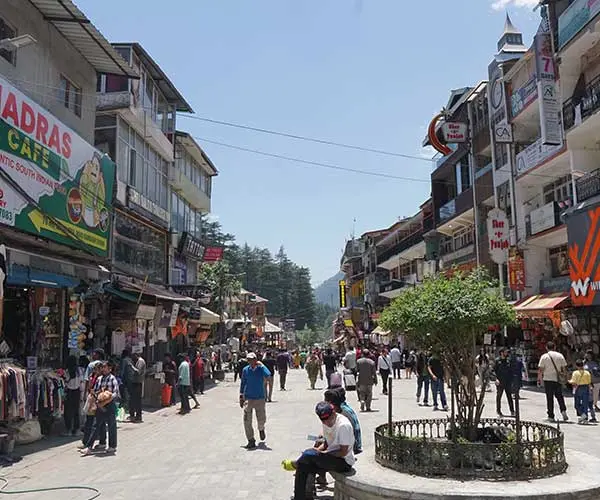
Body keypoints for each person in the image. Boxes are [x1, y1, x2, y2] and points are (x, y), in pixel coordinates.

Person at [281, 402, 354, 500]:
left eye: (327, 419)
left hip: (343, 461)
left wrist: (323, 454)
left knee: (307, 457)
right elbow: (327, 443)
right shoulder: (326, 422)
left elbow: (343, 452)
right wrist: (316, 450)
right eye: (322, 420)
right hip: (330, 456)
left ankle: (297, 463)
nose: (325, 423)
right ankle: (301, 497)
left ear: (333, 413)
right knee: (305, 463)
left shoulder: (343, 425)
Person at [80, 361, 119, 456]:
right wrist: (96, 396)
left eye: (106, 367)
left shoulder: (112, 379)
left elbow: (115, 393)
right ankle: (89, 447)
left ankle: (112, 446)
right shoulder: (99, 379)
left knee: (111, 426)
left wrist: (107, 398)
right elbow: (96, 390)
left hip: (109, 405)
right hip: (100, 405)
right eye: (103, 367)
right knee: (96, 426)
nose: (104, 369)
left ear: (110, 369)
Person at [239, 352, 271, 449]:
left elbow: (268, 375)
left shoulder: (261, 369)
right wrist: (241, 395)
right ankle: (251, 440)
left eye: (252, 359)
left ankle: (261, 429)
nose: (250, 361)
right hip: (248, 398)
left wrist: (263, 365)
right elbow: (243, 382)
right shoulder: (245, 370)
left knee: (261, 418)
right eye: (248, 359)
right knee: (246, 420)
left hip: (260, 397)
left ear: (256, 359)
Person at [538, 341, 569, 422]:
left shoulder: (544, 356)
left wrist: (539, 379)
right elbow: (564, 369)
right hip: (558, 379)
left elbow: (541, 369)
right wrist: (565, 378)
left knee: (549, 398)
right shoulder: (560, 355)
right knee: (559, 396)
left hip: (548, 379)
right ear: (554, 347)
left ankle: (551, 416)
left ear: (546, 347)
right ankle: (563, 411)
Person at [63, 355, 83, 436]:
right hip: (77, 391)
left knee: (68, 412)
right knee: (76, 411)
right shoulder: (79, 370)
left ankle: (68, 430)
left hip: (69, 392)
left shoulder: (67, 371)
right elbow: (81, 382)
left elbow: (65, 382)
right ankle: (77, 429)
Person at [493, 348, 515, 417]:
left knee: (509, 397)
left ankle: (512, 411)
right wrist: (495, 379)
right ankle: (498, 411)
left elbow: (511, 371)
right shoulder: (497, 361)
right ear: (502, 353)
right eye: (505, 352)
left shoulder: (508, 360)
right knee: (499, 396)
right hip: (500, 382)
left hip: (507, 382)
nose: (507, 353)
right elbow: (493, 371)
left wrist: (512, 380)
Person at [569, 359, 592, 424]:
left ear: (576, 366)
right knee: (585, 404)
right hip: (586, 387)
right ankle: (586, 418)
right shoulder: (587, 373)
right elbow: (589, 382)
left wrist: (569, 381)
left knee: (577, 404)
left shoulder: (575, 373)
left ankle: (582, 415)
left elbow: (573, 382)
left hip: (578, 388)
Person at [127, 353, 146, 423]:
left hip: (138, 383)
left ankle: (138, 416)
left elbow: (138, 371)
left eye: (133, 356)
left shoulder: (140, 361)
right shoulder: (137, 361)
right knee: (133, 399)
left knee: (137, 400)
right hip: (135, 382)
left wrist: (131, 366)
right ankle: (133, 415)